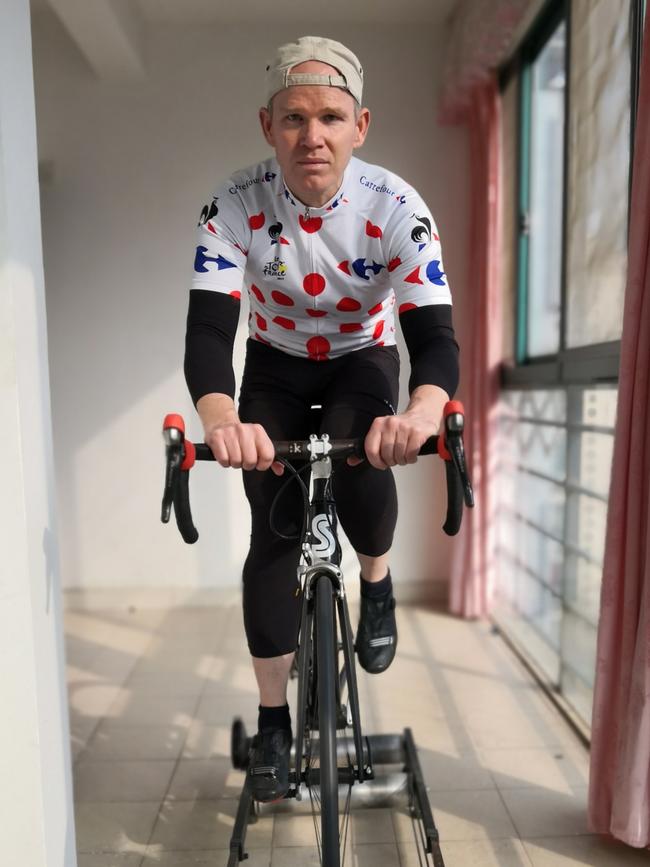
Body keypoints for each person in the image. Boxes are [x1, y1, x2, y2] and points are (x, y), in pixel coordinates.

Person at [184, 35, 459, 802]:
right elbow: (208, 333)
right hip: (272, 361)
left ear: (360, 125)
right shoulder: (234, 203)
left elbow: (434, 335)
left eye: (331, 117)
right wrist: (221, 418)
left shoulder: (397, 207)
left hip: (361, 359)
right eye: (295, 118)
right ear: (267, 125)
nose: (314, 136)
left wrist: (422, 411)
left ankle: (375, 579)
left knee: (365, 464)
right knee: (272, 531)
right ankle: (274, 717)